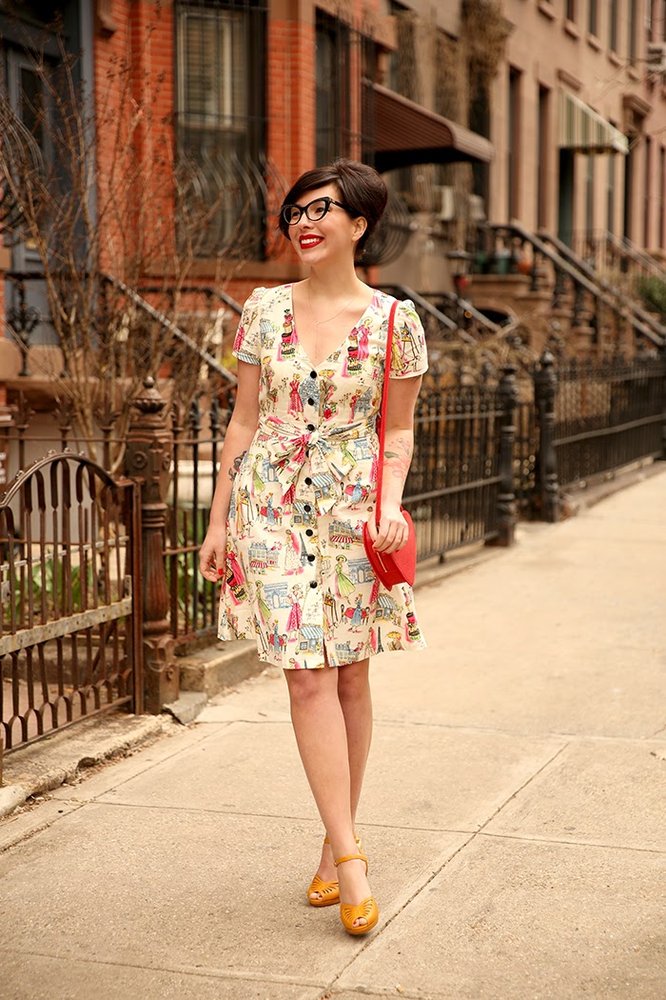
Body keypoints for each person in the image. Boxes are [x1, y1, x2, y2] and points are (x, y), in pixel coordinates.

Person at [199, 158, 427, 937]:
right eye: (296, 209)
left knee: (351, 677)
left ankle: (334, 845)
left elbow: (396, 430)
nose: (304, 220)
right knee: (306, 678)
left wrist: (390, 505)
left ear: (358, 225)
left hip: (353, 511)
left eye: (321, 209)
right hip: (269, 502)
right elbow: (242, 422)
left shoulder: (397, 322)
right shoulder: (262, 311)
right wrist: (220, 518)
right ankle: (354, 859)